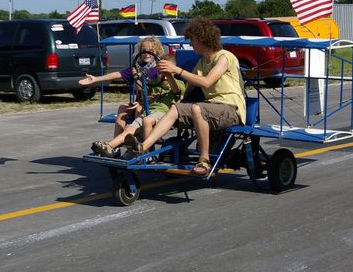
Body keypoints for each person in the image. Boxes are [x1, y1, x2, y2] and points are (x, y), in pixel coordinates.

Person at [124, 18, 246, 176]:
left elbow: (206, 82)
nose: (191, 44)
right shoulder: (202, 62)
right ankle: (142, 147)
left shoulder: (224, 57)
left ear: (203, 39)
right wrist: (169, 86)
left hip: (230, 108)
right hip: (210, 107)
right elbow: (187, 89)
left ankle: (204, 160)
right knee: (176, 108)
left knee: (197, 108)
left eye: (193, 40)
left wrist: (178, 70)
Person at [90, 53, 184, 158]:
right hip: (149, 113)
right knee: (130, 129)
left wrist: (168, 75)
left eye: (168, 72)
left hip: (165, 115)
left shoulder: (178, 83)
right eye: (161, 72)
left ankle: (147, 154)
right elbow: (142, 93)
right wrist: (136, 80)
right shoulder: (153, 84)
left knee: (147, 120)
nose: (164, 75)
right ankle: (109, 146)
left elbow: (176, 90)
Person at [78, 36, 166, 145]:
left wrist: (137, 78)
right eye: (143, 51)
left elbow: (148, 90)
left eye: (150, 51)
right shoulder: (137, 67)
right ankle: (116, 146)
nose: (146, 53)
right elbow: (117, 74)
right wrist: (96, 79)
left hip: (153, 103)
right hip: (139, 102)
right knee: (122, 109)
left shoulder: (158, 69)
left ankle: (138, 141)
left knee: (138, 109)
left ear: (156, 52)